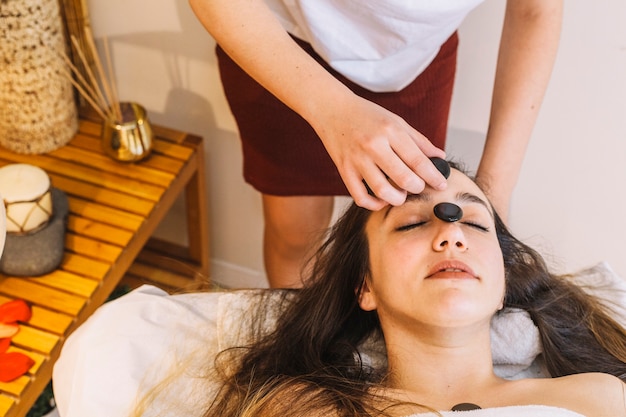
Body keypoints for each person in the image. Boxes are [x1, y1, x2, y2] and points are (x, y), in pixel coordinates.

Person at [52, 162, 626, 416]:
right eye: (410, 222)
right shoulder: (308, 408)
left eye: (476, 224)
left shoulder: (595, 397)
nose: (451, 234)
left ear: (503, 288)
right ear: (364, 287)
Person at [188, 0, 563, 288]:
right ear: (363, 294)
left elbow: (536, 10)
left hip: (413, 59)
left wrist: (493, 193)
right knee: (294, 233)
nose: (453, 238)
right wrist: (331, 109)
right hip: (277, 44)